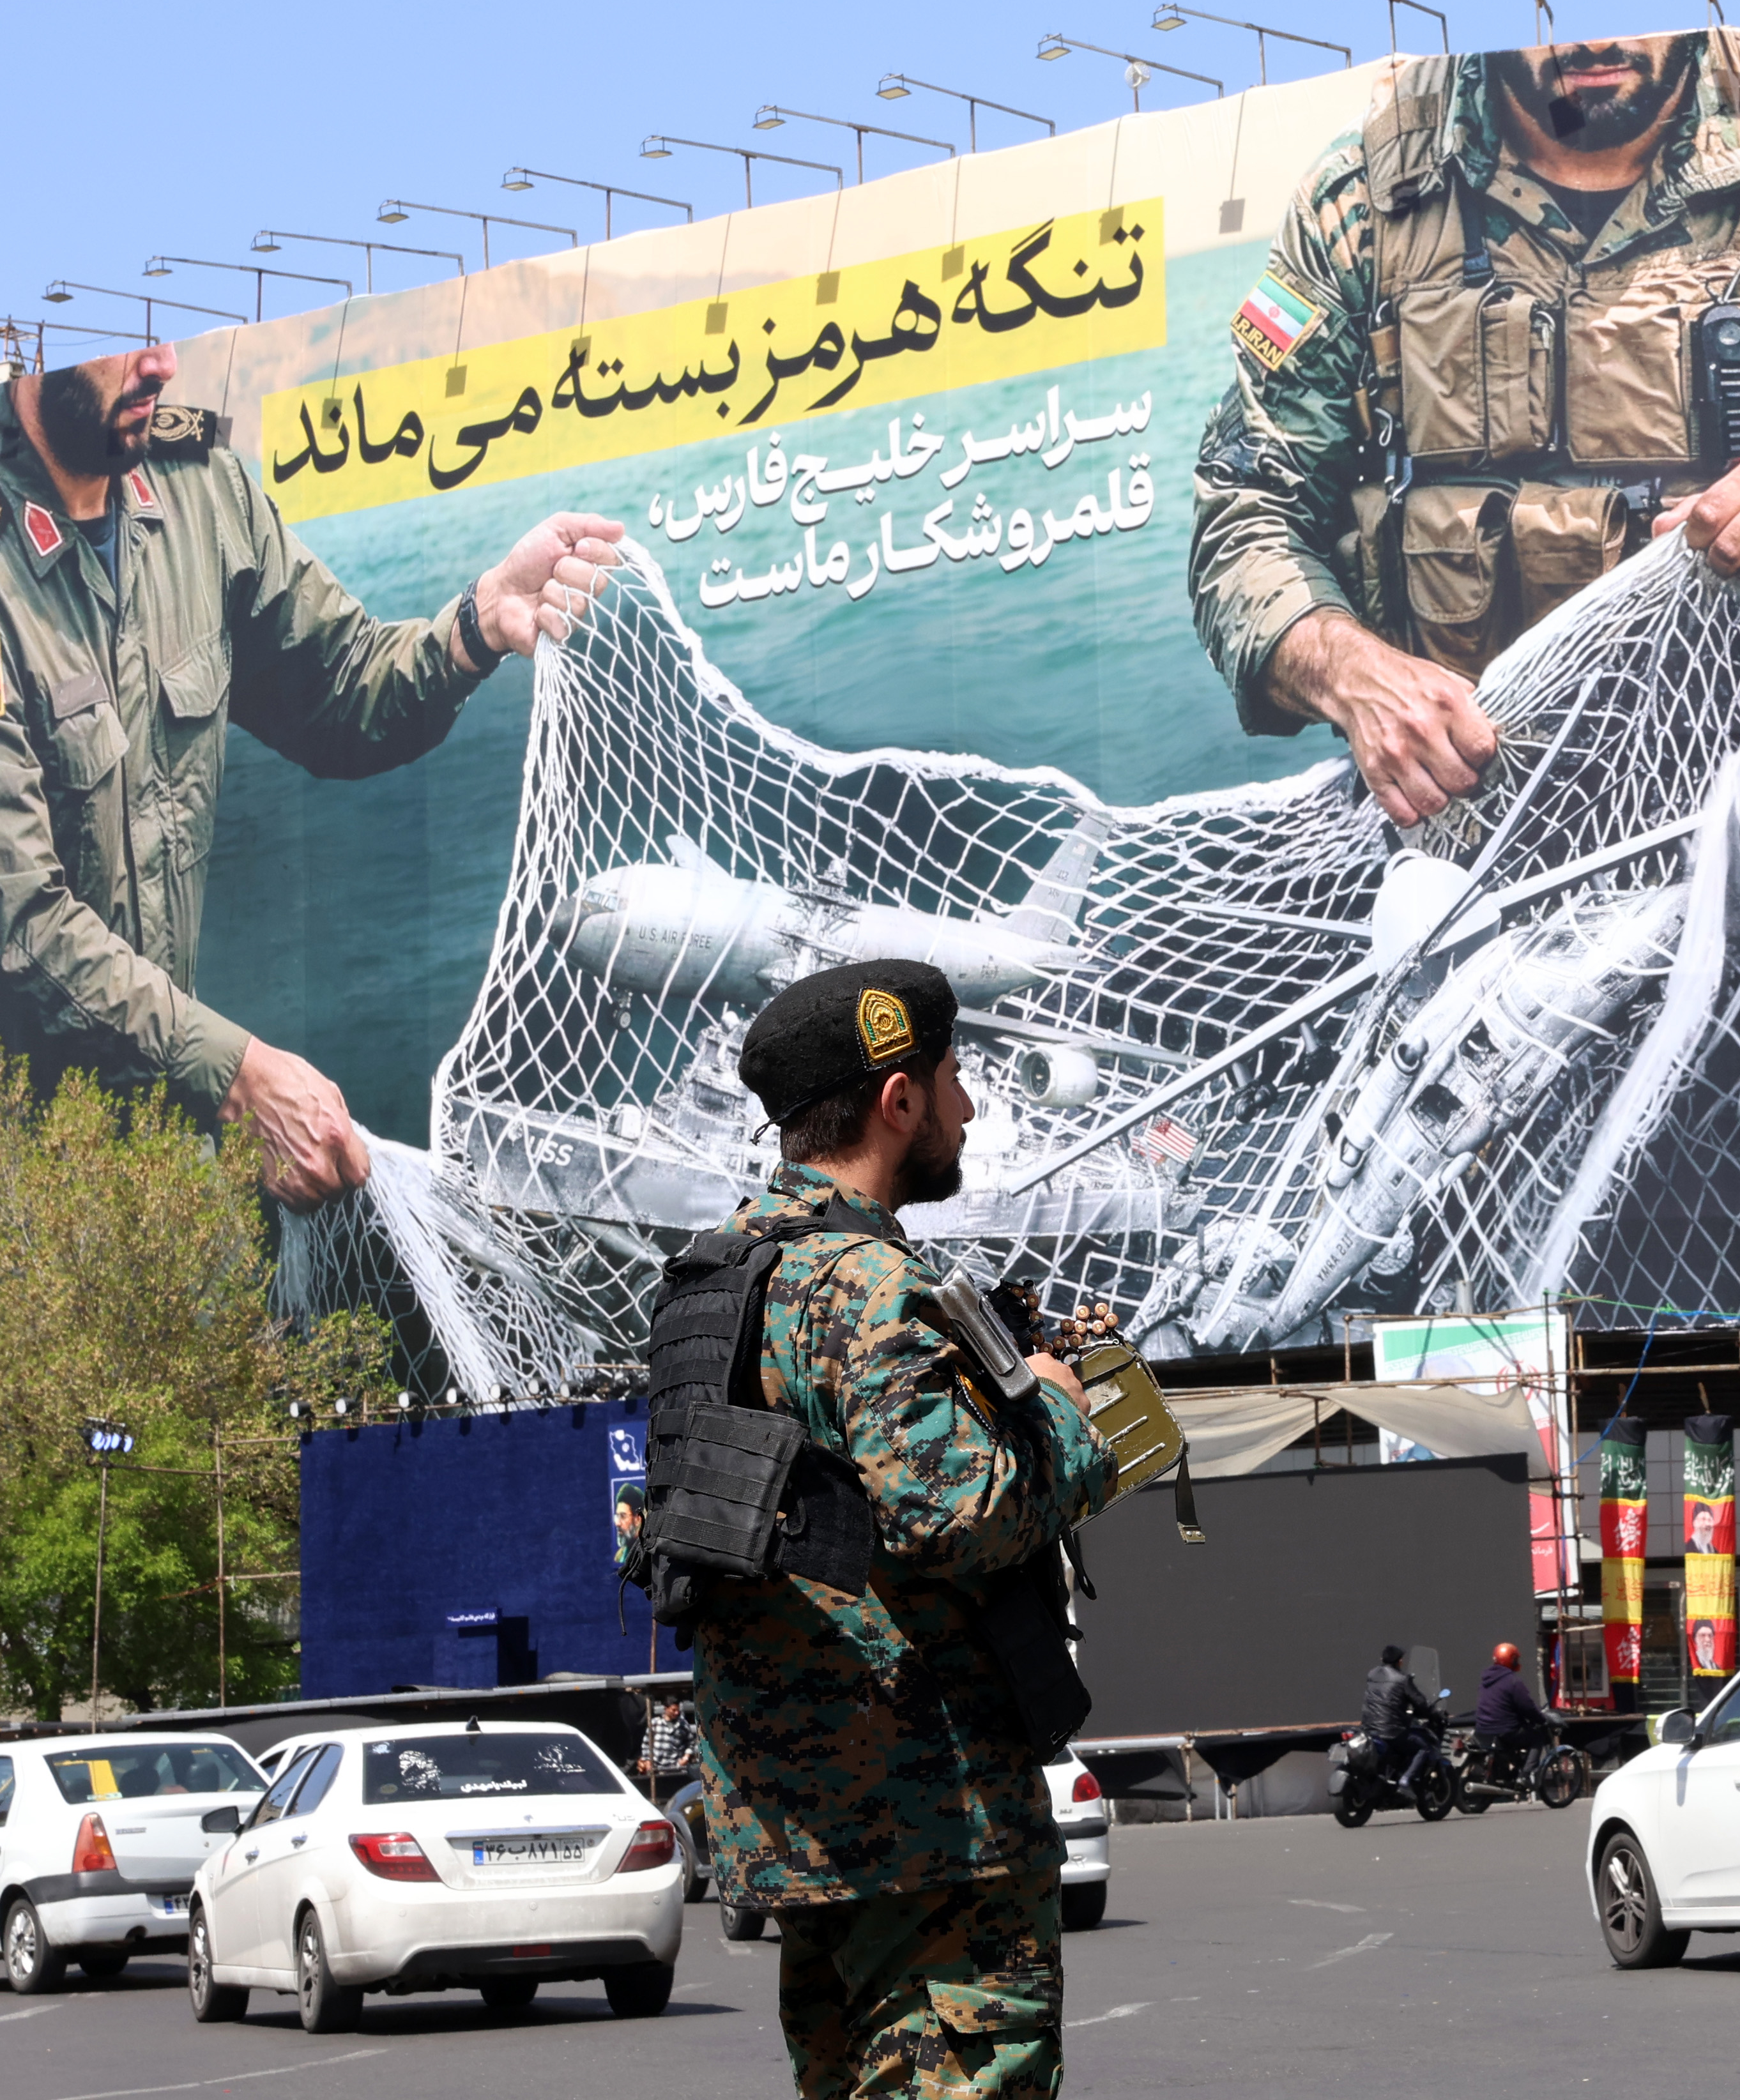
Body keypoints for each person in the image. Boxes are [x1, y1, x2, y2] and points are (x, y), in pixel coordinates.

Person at [1191, 30, 1740, 827]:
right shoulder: (1361, 203)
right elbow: (1245, 514)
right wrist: (1348, 672)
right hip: (1464, 828)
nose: (1594, 36)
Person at [0, 346, 621, 1203]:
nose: (163, 364)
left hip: (159, 1160)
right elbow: (22, 922)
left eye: (170, 332)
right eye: (129, 337)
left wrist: (475, 625)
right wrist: (239, 1074)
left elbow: (338, 690)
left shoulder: (202, 492)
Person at [687, 959, 1120, 2100]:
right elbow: (953, 1507)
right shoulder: (869, 1283)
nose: (965, 1107)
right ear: (898, 1100)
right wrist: (1068, 1423)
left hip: (802, 1819)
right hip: (931, 1820)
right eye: (952, 1078)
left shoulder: (721, 1278)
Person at [1361, 1645, 1448, 1795]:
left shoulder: (1372, 1674)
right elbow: (1420, 1703)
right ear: (1400, 1661)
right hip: (1392, 1731)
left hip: (1369, 1729)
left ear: (1382, 1659)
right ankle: (1405, 1780)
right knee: (1424, 1746)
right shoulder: (1402, 1680)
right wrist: (1433, 1713)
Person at [1472, 1640, 1555, 1784]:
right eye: (1516, 1659)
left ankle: (1513, 1771)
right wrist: (1541, 1720)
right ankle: (1525, 1776)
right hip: (1505, 1730)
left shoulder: (1486, 1682)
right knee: (1537, 1737)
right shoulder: (1512, 1681)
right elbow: (1527, 1707)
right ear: (1511, 1660)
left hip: (1484, 1730)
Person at [636, 1696, 697, 1792]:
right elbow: (646, 1744)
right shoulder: (655, 1723)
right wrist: (647, 1761)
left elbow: (691, 1742)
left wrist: (686, 1758)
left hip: (676, 1767)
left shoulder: (683, 1724)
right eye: (673, 1710)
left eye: (678, 1710)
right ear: (666, 1709)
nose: (676, 1713)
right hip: (657, 1767)